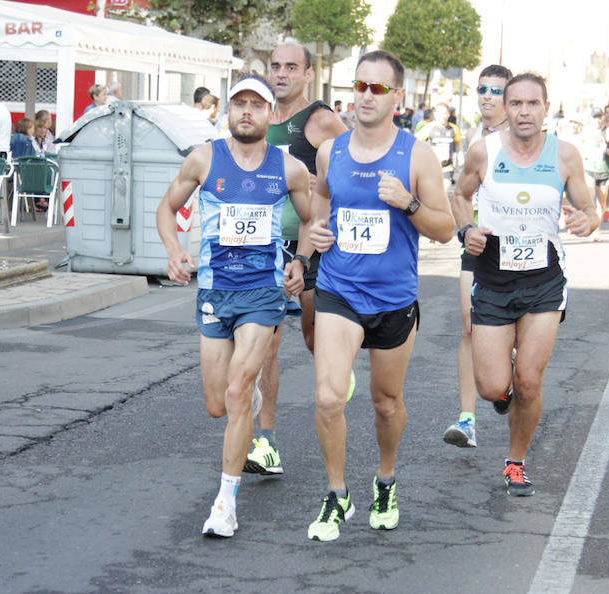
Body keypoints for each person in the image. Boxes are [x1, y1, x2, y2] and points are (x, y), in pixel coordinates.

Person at [306, 50, 455, 541]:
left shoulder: (417, 154)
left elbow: (445, 229)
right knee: (329, 396)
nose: (365, 97)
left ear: (398, 96)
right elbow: (322, 205)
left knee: (386, 402)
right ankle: (336, 493)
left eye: (376, 89)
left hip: (393, 298)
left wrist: (407, 202)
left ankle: (385, 479)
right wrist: (318, 236)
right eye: (359, 87)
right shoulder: (333, 151)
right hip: (339, 290)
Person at [155, 75, 313, 538]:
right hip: (214, 291)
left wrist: (300, 262)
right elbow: (166, 209)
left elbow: (310, 219)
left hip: (264, 293)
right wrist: (172, 251)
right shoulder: (205, 158)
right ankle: (250, 401)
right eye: (239, 104)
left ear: (270, 114)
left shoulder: (288, 169)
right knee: (216, 405)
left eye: (257, 105)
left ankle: (225, 502)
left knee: (238, 391)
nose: (247, 111)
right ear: (228, 111)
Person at [451, 72, 599, 497]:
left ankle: (515, 462)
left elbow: (589, 209)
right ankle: (506, 390)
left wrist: (585, 220)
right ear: (506, 108)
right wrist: (466, 231)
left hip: (544, 283)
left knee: (530, 380)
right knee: (492, 387)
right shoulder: (484, 152)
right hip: (494, 280)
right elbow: (459, 196)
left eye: (532, 104)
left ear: (546, 108)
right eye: (515, 103)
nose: (524, 112)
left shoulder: (566, 156)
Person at [244, 41, 348, 477]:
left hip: (312, 247)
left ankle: (337, 370)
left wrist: (318, 181)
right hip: (263, 246)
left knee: (312, 338)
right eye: (275, 66)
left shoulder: (320, 120)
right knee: (266, 345)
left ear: (308, 74)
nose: (281, 74)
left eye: (291, 67)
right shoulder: (255, 117)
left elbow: (354, 167)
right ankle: (264, 443)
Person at [442, 64, 512, 449]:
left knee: (508, 333)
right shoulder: (471, 137)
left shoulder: (522, 140)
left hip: (515, 248)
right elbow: (460, 192)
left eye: (496, 91)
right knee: (469, 326)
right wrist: (464, 228)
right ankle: (467, 420)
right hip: (477, 244)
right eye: (482, 88)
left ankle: (504, 385)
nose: (486, 96)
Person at [580, 107, 609, 242]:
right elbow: (579, 145)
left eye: (599, 117)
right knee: (589, 199)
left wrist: (608, 151)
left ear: (603, 117)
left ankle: (596, 229)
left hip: (603, 171)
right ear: (591, 119)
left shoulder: (608, 132)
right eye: (595, 117)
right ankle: (590, 224)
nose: (598, 119)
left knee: (601, 204)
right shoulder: (586, 131)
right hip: (589, 170)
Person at [417, 102, 461, 185]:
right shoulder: (429, 127)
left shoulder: (454, 128)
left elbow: (458, 143)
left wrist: (460, 155)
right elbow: (415, 141)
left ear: (448, 114)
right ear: (435, 114)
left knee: (444, 192)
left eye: (445, 113)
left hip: (447, 167)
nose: (443, 116)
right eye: (440, 113)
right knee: (430, 195)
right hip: (430, 167)